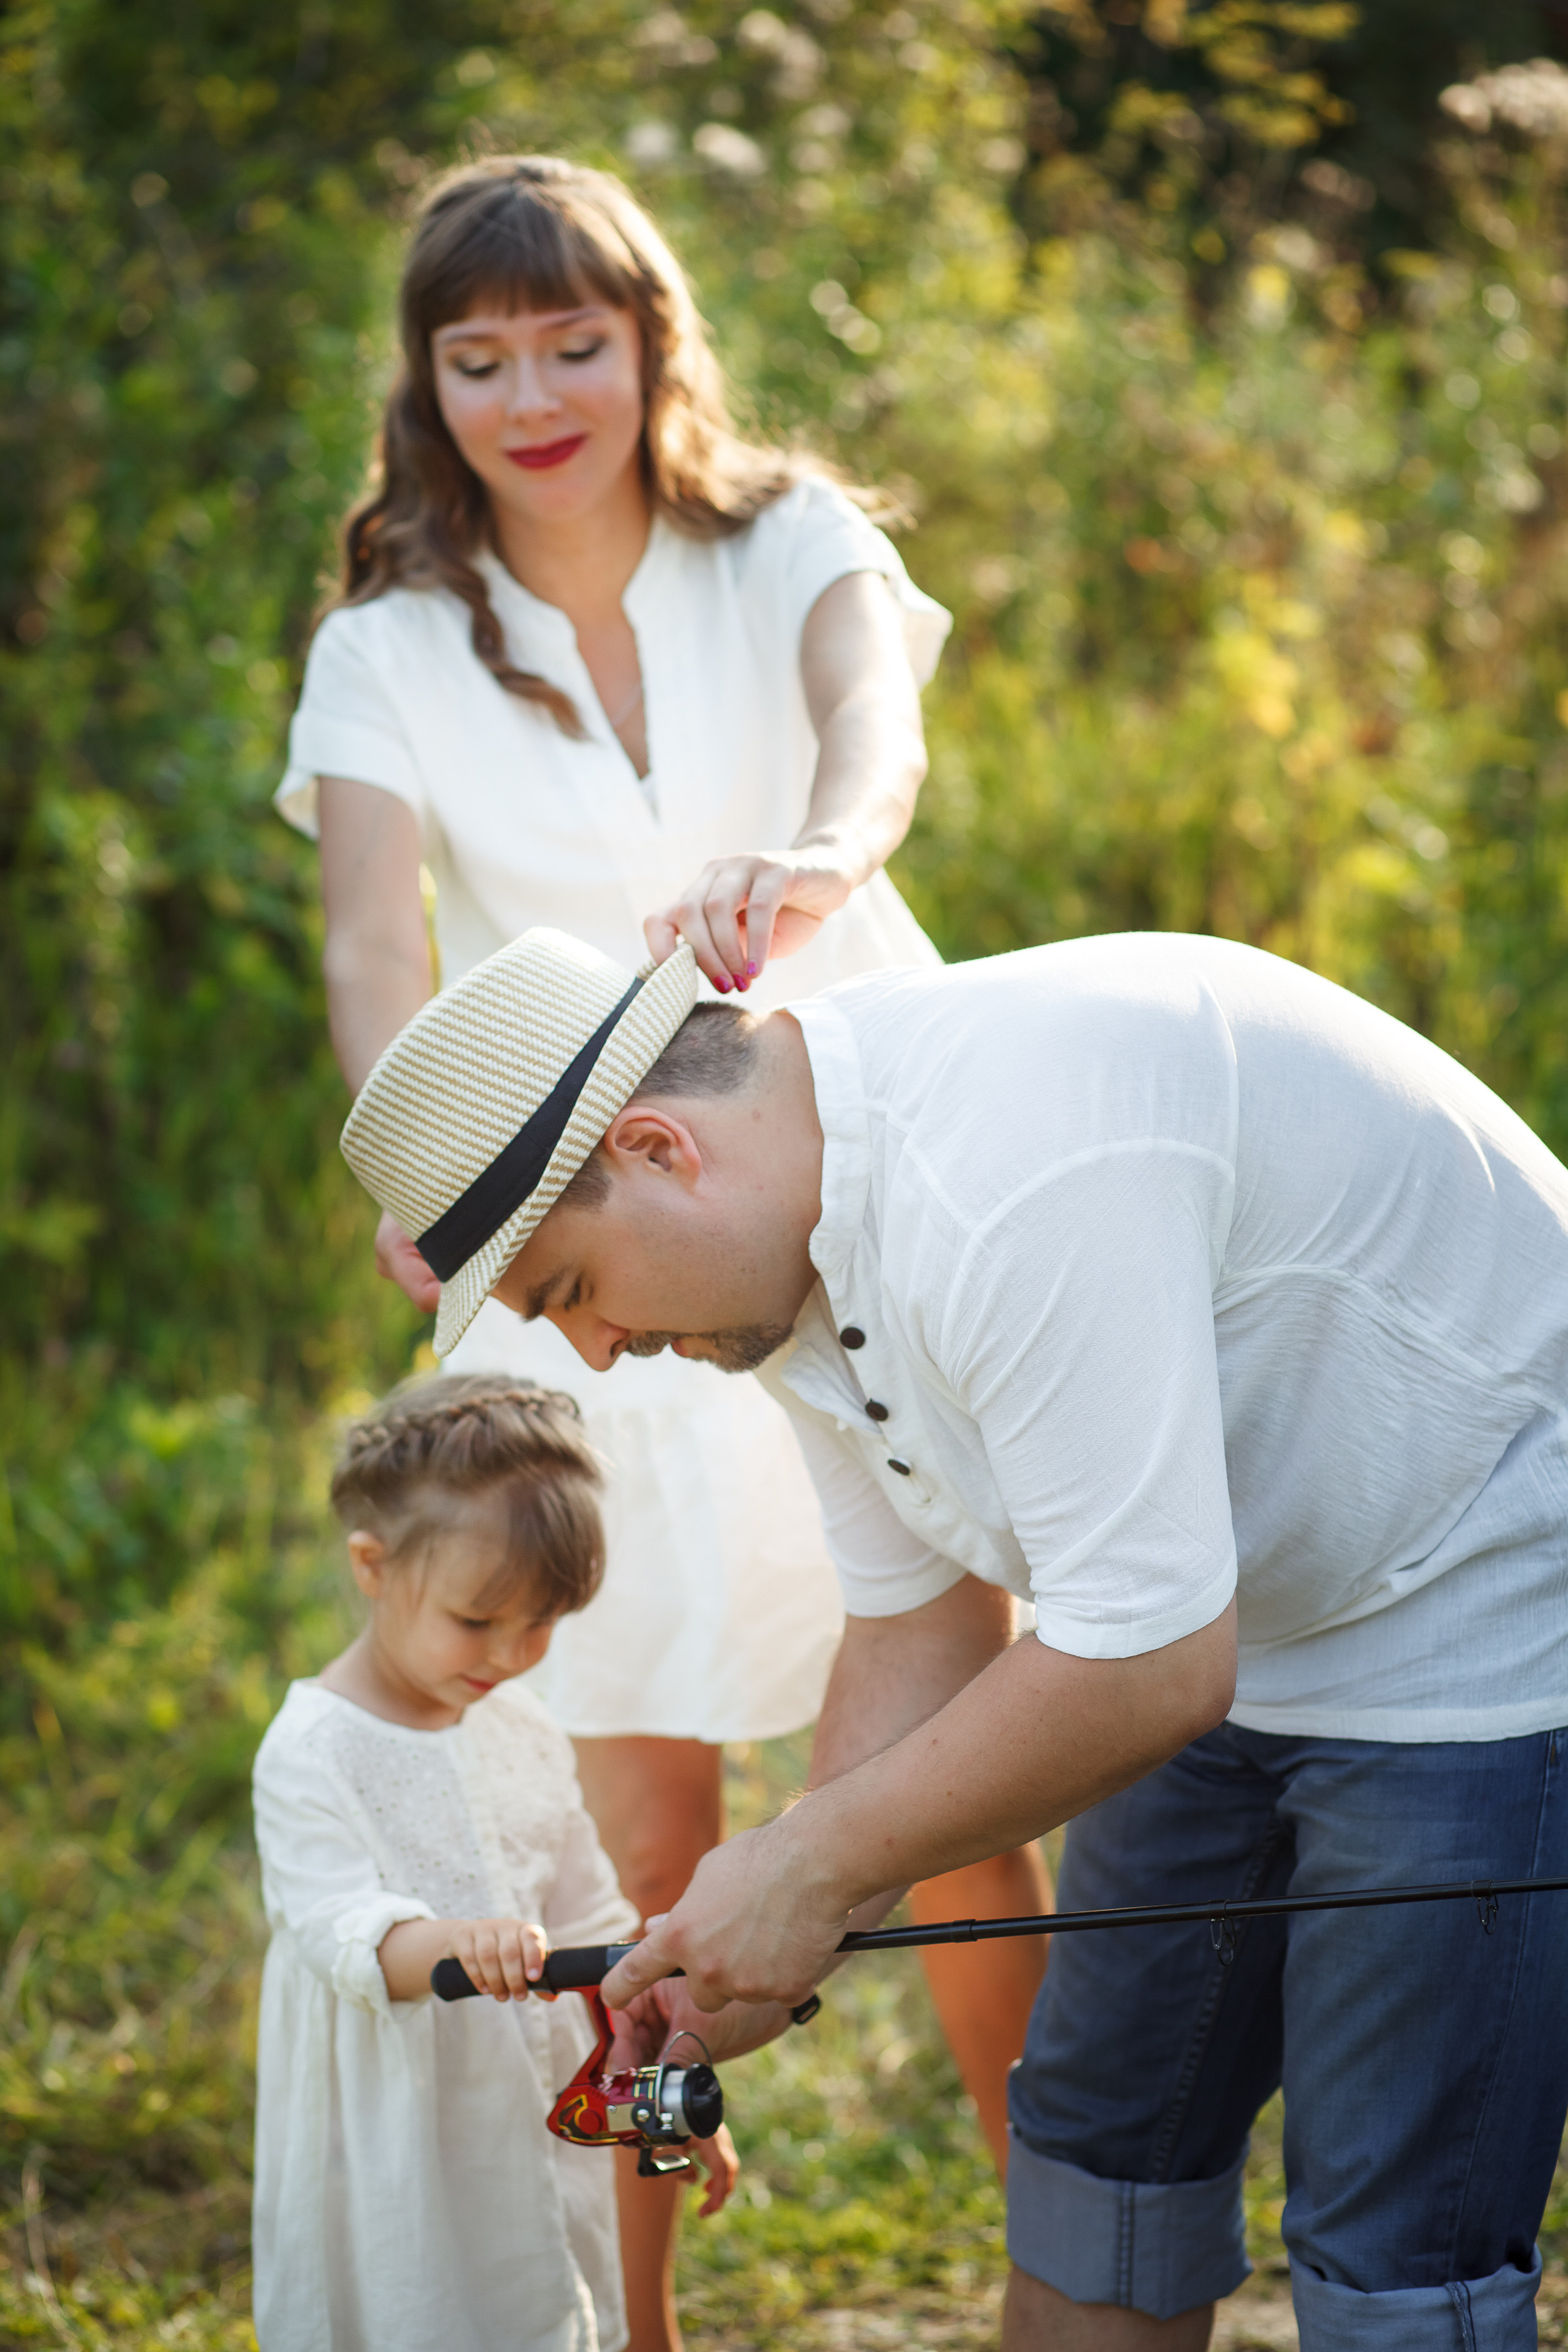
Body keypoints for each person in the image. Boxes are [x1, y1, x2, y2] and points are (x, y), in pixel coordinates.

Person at [340, 923, 1568, 2352]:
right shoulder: (782, 1263)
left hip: (1484, 1606)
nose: (599, 1351)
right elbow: (922, 1624)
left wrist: (806, 1866)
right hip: (1216, 1597)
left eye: (567, 1291)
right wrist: (762, 1942)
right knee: (1091, 2165)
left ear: (661, 1150)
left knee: (1391, 2255)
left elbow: (1153, 1667)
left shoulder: (1003, 1178)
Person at [274, 147, 1049, 2296]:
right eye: (482, 353)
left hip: (850, 1168)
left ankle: (1067, 2256)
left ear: (650, 343)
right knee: (630, 1819)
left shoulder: (784, 532)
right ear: (429, 384)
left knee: (969, 1772)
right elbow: (368, 934)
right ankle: (634, 2322)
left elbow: (872, 743)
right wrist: (412, 1165)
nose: (535, 393)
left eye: (574, 342)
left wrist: (806, 865)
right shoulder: (395, 640)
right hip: (574, 1225)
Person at [251, 1374, 736, 2352]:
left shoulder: (519, 1725)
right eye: (478, 1622)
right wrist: (452, 1944)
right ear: (373, 1566)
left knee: (539, 2281)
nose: (513, 1655)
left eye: (544, 1622)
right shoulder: (313, 1749)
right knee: (424, 2299)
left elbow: (593, 1914)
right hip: (396, 2131)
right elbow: (339, 1931)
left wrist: (657, 2052)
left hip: (527, 2099)